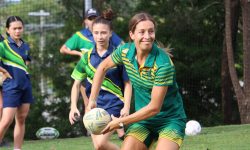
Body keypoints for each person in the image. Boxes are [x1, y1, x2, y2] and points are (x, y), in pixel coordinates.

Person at [87, 12, 187, 150]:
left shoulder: (163, 64)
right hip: (143, 121)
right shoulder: (125, 52)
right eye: (142, 32)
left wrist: (121, 122)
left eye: (151, 31)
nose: (147, 36)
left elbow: (154, 108)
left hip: (170, 120)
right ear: (132, 34)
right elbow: (102, 67)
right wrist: (92, 99)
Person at [69, 10, 132, 150]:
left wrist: (126, 106)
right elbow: (76, 83)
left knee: (102, 144)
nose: (100, 36)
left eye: (103, 33)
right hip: (94, 106)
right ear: (92, 34)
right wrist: (73, 106)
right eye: (96, 33)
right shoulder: (86, 57)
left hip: (115, 104)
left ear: (110, 33)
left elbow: (128, 84)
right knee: (99, 147)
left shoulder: (119, 56)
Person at [0, 16, 34, 150]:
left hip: (26, 86)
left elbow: (26, 62)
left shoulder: (25, 45)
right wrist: (5, 72)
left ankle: (17, 148)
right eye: (14, 28)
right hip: (11, 87)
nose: (17, 31)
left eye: (20, 28)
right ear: (8, 30)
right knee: (6, 120)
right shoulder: (3, 45)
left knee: (21, 119)